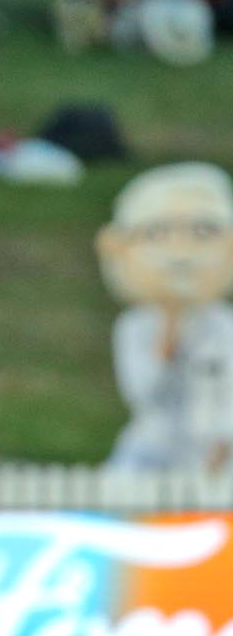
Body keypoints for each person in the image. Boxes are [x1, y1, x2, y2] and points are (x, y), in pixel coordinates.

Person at [97, 163, 233, 473]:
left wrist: (224, 437)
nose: (180, 252)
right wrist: (167, 338)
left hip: (216, 453)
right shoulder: (134, 326)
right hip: (151, 453)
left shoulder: (224, 324)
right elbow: (144, 393)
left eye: (203, 233)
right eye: (157, 234)